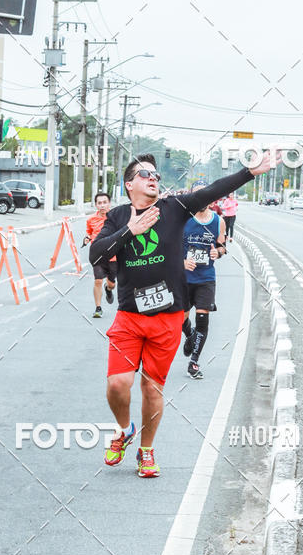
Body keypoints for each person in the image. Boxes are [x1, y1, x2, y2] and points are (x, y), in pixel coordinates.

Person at [89, 150, 272, 479]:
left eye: (155, 175)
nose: (153, 178)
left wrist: (250, 172)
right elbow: (96, 253)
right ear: (129, 184)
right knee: (118, 384)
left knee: (151, 389)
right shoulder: (117, 216)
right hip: (129, 317)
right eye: (145, 175)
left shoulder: (173, 208)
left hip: (167, 318)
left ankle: (146, 450)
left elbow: (211, 191)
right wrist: (131, 230)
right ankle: (123, 429)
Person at [182, 186, 226, 379]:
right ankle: (189, 334)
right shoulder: (182, 219)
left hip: (206, 278)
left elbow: (221, 246)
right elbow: (169, 247)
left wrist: (219, 252)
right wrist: (182, 262)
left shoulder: (218, 221)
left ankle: (194, 362)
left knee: (203, 319)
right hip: (183, 278)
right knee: (180, 320)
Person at [82, 192, 116, 318]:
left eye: (104, 202)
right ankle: (98, 308)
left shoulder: (115, 218)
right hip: (98, 256)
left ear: (109, 204)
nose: (102, 205)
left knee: (112, 284)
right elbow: (89, 233)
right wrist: (86, 238)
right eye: (99, 203)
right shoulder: (91, 220)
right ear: (96, 205)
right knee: (97, 281)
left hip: (113, 256)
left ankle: (108, 289)